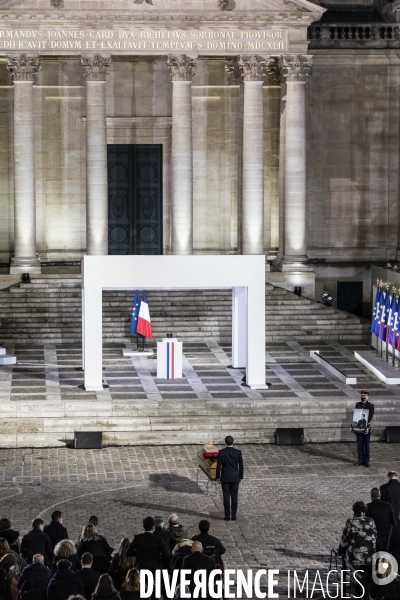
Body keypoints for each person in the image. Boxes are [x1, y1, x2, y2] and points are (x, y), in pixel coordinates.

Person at [340, 501, 377, 598]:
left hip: (357, 558)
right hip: (370, 557)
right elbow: (375, 535)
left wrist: (342, 550)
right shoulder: (370, 521)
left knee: (358, 582)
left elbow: (344, 539)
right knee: (368, 583)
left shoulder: (351, 522)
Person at [216, 435, 244, 521]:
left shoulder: (222, 452)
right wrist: (240, 476)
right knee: (234, 497)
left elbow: (218, 466)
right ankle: (234, 515)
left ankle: (227, 516)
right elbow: (241, 466)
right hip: (235, 477)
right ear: (233, 442)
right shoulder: (238, 452)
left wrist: (218, 477)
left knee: (226, 497)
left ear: (225, 443)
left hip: (225, 477)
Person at [352, 390, 374, 467]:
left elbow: (370, 417)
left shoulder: (370, 405)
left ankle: (366, 461)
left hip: (366, 428)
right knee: (360, 445)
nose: (363, 397)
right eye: (362, 396)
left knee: (366, 445)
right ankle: (360, 460)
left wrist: (368, 427)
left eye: (365, 396)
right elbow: (355, 416)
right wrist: (352, 426)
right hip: (358, 428)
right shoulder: (358, 404)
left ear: (368, 397)